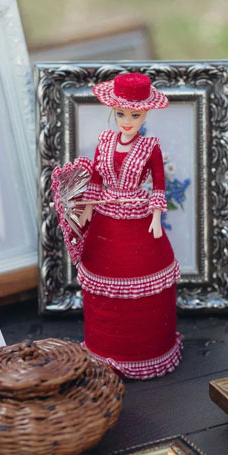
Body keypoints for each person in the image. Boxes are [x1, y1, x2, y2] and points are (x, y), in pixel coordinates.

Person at [76, 73, 182, 379]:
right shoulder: (105, 141)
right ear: (113, 111)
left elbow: (159, 185)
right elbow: (96, 179)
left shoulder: (150, 147)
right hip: (105, 220)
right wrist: (87, 211)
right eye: (121, 114)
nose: (127, 121)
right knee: (103, 277)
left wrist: (156, 217)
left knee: (142, 274)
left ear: (146, 113)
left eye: (135, 115)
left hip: (139, 220)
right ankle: (106, 347)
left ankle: (145, 352)